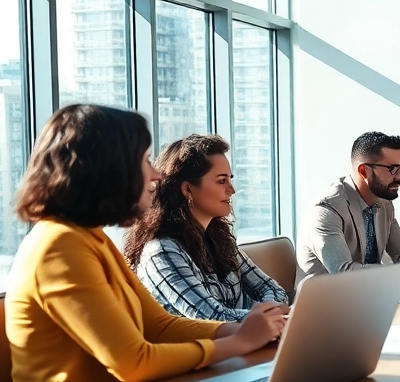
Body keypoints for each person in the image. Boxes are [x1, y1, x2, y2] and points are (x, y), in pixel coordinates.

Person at [4, 105, 286, 382]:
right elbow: (133, 362)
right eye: (145, 160)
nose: (156, 175)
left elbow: (159, 326)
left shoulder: (91, 239)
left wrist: (242, 330)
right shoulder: (59, 247)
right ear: (110, 168)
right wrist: (240, 342)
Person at [124, 134, 291, 321]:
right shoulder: (162, 252)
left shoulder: (220, 242)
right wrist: (269, 316)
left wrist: (271, 312)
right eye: (221, 181)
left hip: (241, 337)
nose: (232, 190)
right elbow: (211, 317)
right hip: (205, 340)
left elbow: (273, 290)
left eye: (230, 180)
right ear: (188, 189)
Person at [299, 131, 400, 281]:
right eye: (393, 169)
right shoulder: (326, 209)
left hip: (371, 292)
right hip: (328, 294)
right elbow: (343, 273)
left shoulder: (384, 203)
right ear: (364, 171)